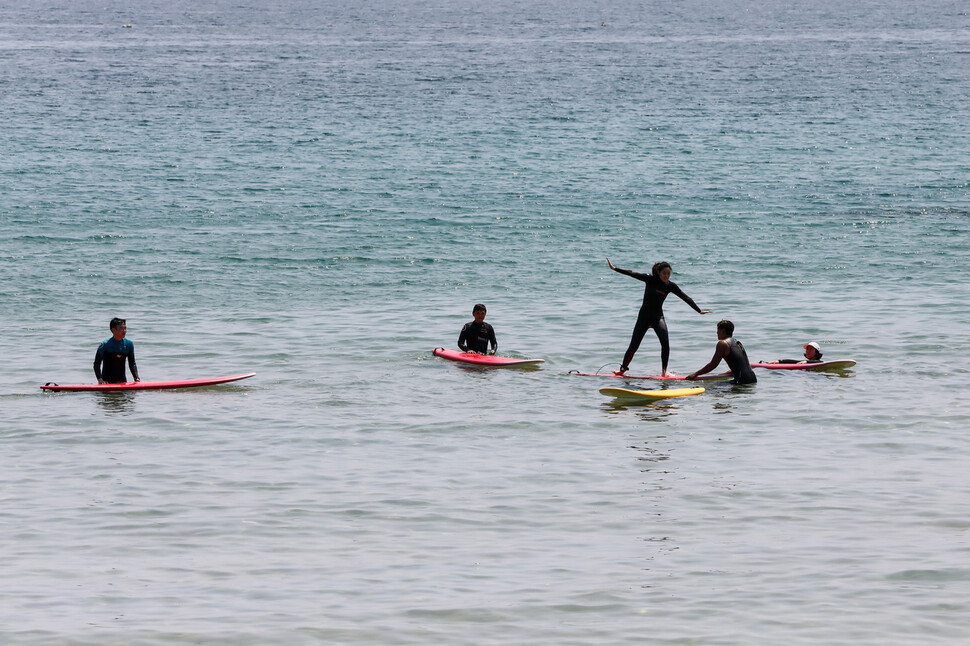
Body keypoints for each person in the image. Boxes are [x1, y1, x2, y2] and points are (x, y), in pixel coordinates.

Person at [607, 258, 712, 376]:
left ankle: (664, 372)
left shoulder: (670, 286)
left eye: (668, 274)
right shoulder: (649, 279)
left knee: (665, 343)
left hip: (658, 318)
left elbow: (685, 297)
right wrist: (615, 268)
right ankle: (622, 370)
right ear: (658, 272)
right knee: (633, 346)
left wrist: (698, 310)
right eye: (664, 273)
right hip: (644, 317)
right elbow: (632, 273)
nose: (666, 276)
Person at [686, 319, 757, 385]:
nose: (717, 332)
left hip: (742, 381)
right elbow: (741, 361)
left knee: (708, 390)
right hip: (753, 379)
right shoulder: (737, 342)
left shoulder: (722, 344)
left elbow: (713, 364)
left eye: (718, 330)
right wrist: (731, 371)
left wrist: (695, 374)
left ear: (722, 330)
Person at [94, 317, 140, 384]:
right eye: (121, 328)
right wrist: (100, 379)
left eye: (125, 328)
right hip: (106, 382)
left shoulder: (129, 344)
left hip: (122, 382)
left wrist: (136, 378)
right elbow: (96, 364)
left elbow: (132, 363)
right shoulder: (105, 345)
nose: (124, 331)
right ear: (113, 330)